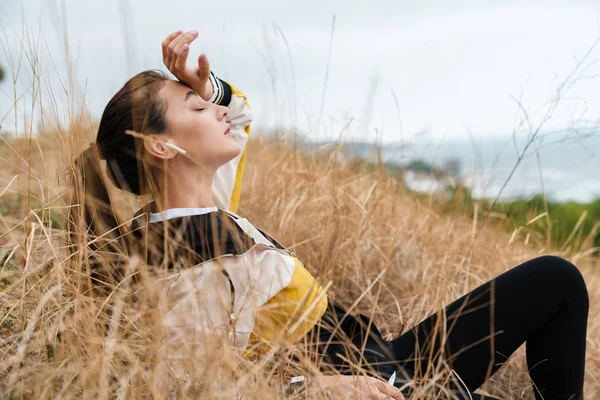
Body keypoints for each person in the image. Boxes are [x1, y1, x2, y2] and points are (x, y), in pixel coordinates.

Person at [69, 30, 589, 400]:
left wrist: (201, 88)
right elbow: (197, 384)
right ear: (162, 148)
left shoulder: (198, 206)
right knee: (558, 284)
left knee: (556, 279)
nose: (220, 111)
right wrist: (311, 388)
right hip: (374, 386)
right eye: (200, 110)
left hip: (383, 359)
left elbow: (240, 112)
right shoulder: (183, 261)